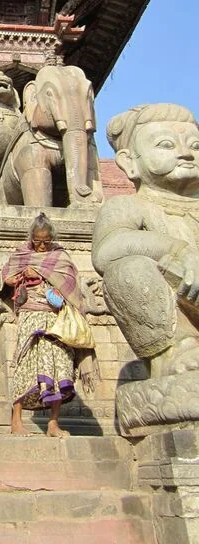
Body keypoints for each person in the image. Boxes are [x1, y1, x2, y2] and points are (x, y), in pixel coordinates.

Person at [93, 103, 199, 378]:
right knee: (127, 269)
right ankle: (178, 350)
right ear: (129, 162)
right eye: (166, 145)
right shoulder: (128, 206)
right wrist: (177, 249)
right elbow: (106, 250)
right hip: (183, 296)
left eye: (196, 145)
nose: (186, 153)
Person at [2, 212, 97, 437]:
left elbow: (70, 282)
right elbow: (6, 278)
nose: (42, 245)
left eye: (46, 241)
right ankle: (16, 420)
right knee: (26, 364)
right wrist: (12, 280)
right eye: (37, 241)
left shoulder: (60, 256)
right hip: (30, 314)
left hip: (56, 318)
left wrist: (44, 273)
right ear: (31, 238)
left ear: (52, 238)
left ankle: (53, 423)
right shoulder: (21, 254)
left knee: (59, 365)